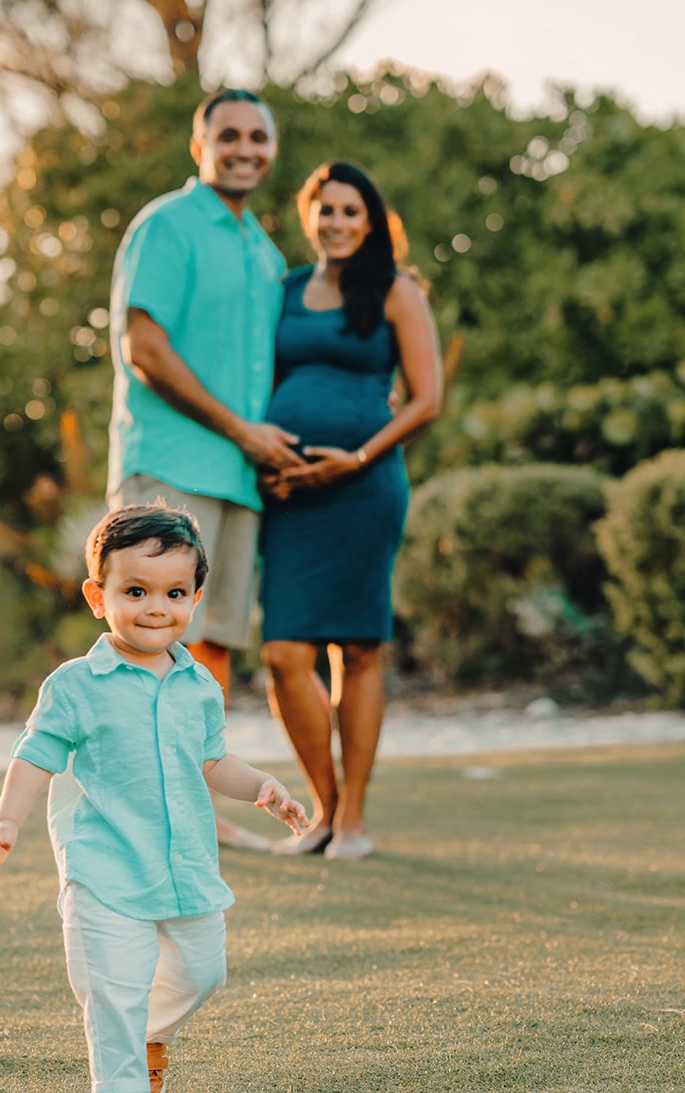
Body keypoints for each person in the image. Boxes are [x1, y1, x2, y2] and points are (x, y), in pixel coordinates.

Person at [0, 503, 308, 1093]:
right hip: (103, 865)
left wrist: (264, 788)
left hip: (183, 863)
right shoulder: (75, 685)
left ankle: (151, 1034)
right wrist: (6, 822)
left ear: (195, 599)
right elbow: (35, 756)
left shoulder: (198, 685)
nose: (156, 607)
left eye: (174, 593)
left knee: (204, 969)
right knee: (110, 982)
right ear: (98, 598)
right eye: (136, 591)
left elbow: (214, 761)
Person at [107, 87, 304, 850]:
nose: (244, 147)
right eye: (229, 134)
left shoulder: (267, 253)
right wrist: (240, 430)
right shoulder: (166, 225)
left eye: (259, 136)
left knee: (208, 645)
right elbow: (144, 349)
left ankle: (193, 811)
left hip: (241, 477)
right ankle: (137, 812)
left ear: (272, 149)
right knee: (146, 642)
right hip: (170, 465)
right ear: (201, 144)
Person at [259, 161, 444, 861]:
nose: (336, 223)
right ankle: (326, 811)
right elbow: (258, 383)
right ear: (309, 216)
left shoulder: (396, 292)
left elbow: (427, 399)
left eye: (350, 212)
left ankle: (355, 820)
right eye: (325, 210)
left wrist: (357, 457)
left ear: (371, 222)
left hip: (364, 489)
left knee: (359, 650)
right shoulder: (280, 293)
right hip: (291, 495)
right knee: (283, 655)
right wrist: (267, 462)